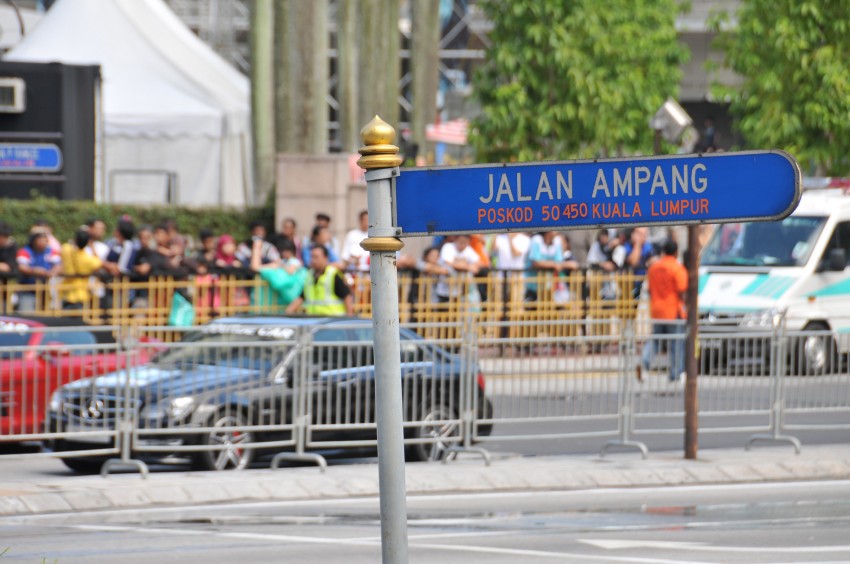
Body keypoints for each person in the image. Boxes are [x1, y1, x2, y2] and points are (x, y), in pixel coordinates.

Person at [638, 240, 688, 383]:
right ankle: (676, 373)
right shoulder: (677, 268)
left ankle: (644, 363)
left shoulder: (654, 267)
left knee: (655, 341)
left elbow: (649, 289)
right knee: (676, 343)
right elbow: (682, 290)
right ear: (676, 252)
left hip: (657, 310)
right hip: (673, 311)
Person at [286, 245, 354, 316]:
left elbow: (347, 297)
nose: (313, 260)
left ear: (325, 258)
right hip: (314, 321)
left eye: (316, 257)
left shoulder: (333, 274)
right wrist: (288, 312)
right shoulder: (309, 275)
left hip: (332, 321)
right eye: (312, 257)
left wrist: (349, 319)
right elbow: (302, 297)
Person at [251, 237, 306, 308]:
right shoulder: (283, 261)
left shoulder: (295, 261)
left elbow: (290, 271)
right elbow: (257, 267)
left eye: (285, 251)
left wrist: (281, 266)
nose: (283, 253)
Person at [59, 229, 104, 312]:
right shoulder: (87, 259)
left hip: (65, 292)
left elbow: (66, 248)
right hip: (81, 294)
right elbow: (98, 263)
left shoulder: (66, 249)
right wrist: (92, 246)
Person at [15, 231, 61, 312]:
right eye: (41, 240)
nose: (44, 242)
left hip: (45, 290)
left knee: (45, 314)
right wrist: (35, 271)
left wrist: (51, 273)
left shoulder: (51, 251)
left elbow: (58, 265)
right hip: (27, 289)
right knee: (27, 313)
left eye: (45, 240)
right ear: (34, 240)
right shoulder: (25, 251)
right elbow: (22, 267)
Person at [524, 231, 577, 302]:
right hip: (532, 285)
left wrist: (555, 264)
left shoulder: (556, 241)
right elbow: (536, 262)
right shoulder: (536, 240)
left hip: (548, 286)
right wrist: (554, 264)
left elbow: (559, 262)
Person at [435, 235, 481, 303]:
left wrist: (461, 265)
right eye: (461, 242)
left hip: (459, 291)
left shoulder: (468, 249)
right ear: (455, 239)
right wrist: (467, 266)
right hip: (444, 289)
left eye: (465, 242)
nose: (463, 244)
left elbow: (478, 263)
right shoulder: (448, 247)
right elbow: (449, 263)